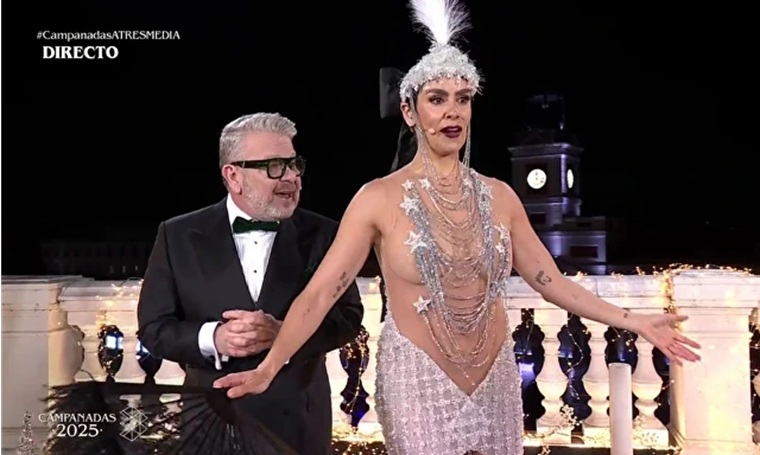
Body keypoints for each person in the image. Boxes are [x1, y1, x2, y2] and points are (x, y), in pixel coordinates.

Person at [214, 2, 701, 454]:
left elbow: (551, 282)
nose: (453, 111)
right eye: (437, 99)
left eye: (463, 99)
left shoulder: (500, 196)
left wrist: (634, 321)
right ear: (410, 111)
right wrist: (269, 367)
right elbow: (322, 293)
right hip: (418, 381)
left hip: (495, 380)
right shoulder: (377, 198)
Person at [137, 112, 364, 455]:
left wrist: (285, 333)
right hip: (209, 422)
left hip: (298, 423)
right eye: (274, 166)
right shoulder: (178, 235)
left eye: (294, 164)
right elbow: (154, 328)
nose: (292, 177)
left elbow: (348, 318)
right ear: (233, 176)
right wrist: (213, 338)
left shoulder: (324, 234)